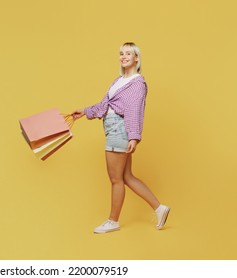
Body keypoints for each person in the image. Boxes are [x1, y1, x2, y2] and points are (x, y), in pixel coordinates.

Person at [72, 42, 170, 233]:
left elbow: (135, 111)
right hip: (113, 130)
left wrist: (134, 137)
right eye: (121, 53)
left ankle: (113, 221)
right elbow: (104, 105)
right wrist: (84, 111)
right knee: (126, 177)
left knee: (116, 179)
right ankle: (160, 208)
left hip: (120, 131)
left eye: (128, 53)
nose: (123, 56)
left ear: (136, 58)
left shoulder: (137, 83)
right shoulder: (118, 81)